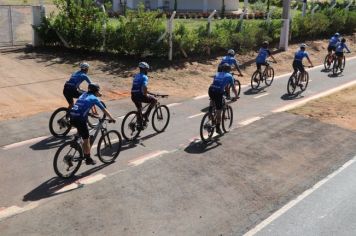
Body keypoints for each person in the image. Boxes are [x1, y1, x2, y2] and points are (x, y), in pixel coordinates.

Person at [69, 83, 116, 165]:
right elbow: (104, 110)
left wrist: (89, 114)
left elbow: (82, 106)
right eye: (98, 90)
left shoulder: (84, 94)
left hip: (71, 117)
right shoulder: (94, 98)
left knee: (81, 130)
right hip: (79, 119)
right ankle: (88, 159)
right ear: (96, 91)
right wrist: (111, 118)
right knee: (86, 139)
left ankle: (75, 140)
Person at [208, 63, 238, 135]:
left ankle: (210, 112)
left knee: (212, 99)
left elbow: (220, 84)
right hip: (218, 92)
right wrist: (236, 96)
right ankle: (218, 128)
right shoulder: (230, 76)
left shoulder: (217, 74)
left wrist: (226, 91)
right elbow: (233, 88)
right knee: (219, 112)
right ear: (229, 70)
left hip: (211, 90)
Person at [131, 62, 157, 128]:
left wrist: (151, 93)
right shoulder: (144, 77)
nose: (147, 71)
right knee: (154, 100)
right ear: (145, 69)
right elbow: (144, 87)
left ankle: (139, 124)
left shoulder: (136, 76)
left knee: (139, 109)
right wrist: (146, 95)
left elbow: (138, 87)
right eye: (147, 69)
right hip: (140, 95)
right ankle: (146, 115)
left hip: (133, 95)